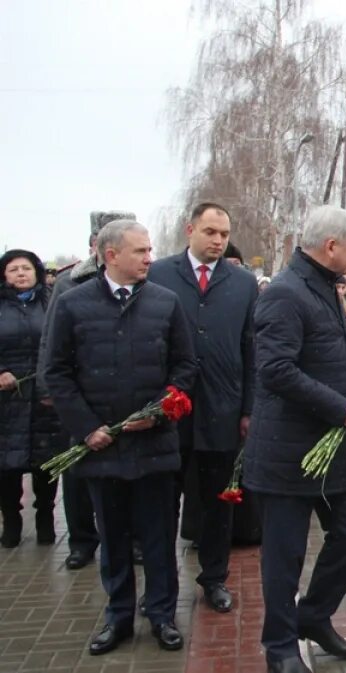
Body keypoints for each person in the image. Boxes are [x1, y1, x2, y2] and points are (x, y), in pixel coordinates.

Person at [44, 219, 198, 655]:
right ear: (111, 255)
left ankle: (163, 616)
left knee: (158, 539)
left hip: (154, 446)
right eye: (141, 251)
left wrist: (160, 413)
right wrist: (86, 427)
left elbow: (186, 368)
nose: (150, 258)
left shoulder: (166, 303)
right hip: (102, 447)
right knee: (112, 540)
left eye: (150, 250)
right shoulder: (73, 305)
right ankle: (119, 618)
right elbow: (55, 371)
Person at [240, 206, 346, 673]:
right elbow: (275, 370)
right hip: (288, 452)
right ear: (331, 246)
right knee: (285, 555)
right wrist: (340, 405)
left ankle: (313, 617)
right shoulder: (284, 293)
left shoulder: (323, 287)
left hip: (333, 449)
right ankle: (279, 645)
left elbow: (319, 358)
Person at [147, 202, 257, 614]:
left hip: (223, 411)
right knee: (161, 505)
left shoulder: (243, 283)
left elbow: (251, 347)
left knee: (218, 504)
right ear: (189, 228)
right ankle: (160, 591)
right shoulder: (158, 275)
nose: (217, 241)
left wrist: (249, 408)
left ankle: (214, 579)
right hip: (169, 411)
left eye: (224, 235)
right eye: (210, 232)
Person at [38, 212, 132, 570]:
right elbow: (51, 342)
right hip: (80, 396)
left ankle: (133, 540)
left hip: (125, 394)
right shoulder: (69, 284)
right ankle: (82, 541)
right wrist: (51, 391)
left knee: (128, 473)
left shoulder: (143, 281)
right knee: (77, 473)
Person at [0, 249, 61, 548]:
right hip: (7, 399)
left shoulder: (51, 303)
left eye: (26, 268)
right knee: (6, 464)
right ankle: (11, 519)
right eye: (13, 269)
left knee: (47, 461)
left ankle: (46, 519)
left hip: (43, 396)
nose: (21, 273)